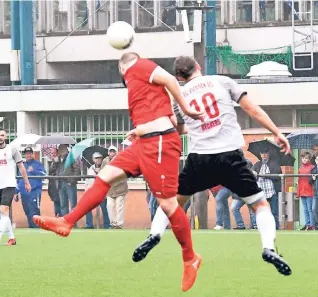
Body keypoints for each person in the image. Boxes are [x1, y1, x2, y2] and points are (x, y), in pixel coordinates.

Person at [33, 52, 203, 292]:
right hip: (145, 143)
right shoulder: (140, 87)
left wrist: (185, 107)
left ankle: (190, 258)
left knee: (168, 205)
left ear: (122, 68)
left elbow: (170, 80)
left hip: (161, 144)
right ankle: (67, 221)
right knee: (104, 177)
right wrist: (141, 130)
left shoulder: (138, 66)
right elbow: (171, 120)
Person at [134, 56, 292, 277]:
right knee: (260, 205)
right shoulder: (222, 81)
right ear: (198, 66)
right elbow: (253, 110)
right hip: (231, 156)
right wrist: (277, 133)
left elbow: (176, 130)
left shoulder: (179, 98)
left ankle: (154, 235)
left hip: (200, 158)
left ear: (179, 77)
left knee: (172, 203)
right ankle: (268, 247)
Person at [0, 127, 31, 246]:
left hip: (9, 184)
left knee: (4, 210)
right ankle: (11, 238)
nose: (0, 137)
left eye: (2, 135)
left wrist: (26, 182)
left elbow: (21, 167)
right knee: (3, 213)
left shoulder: (12, 150)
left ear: (6, 137)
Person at [14, 147, 46, 228]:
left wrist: (34, 171)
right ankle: (31, 228)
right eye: (26, 153)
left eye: (29, 153)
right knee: (27, 211)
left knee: (34, 211)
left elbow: (44, 175)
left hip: (34, 192)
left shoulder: (38, 163)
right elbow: (19, 179)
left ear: (32, 154)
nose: (28, 155)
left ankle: (37, 228)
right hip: (24, 193)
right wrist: (16, 192)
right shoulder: (22, 165)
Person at [252, 148, 282, 230]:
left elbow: (277, 176)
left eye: (265, 153)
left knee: (274, 212)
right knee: (260, 211)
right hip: (261, 191)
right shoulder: (257, 164)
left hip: (272, 191)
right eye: (262, 153)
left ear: (268, 154)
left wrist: (265, 175)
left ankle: (276, 228)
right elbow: (252, 175)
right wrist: (254, 173)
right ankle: (262, 228)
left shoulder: (274, 164)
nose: (264, 155)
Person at [103, 146, 129, 229]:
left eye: (113, 152)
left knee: (119, 206)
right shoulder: (105, 161)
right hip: (110, 188)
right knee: (110, 206)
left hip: (120, 187)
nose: (112, 153)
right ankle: (113, 223)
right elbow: (102, 172)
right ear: (108, 153)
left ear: (116, 153)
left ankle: (119, 224)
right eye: (110, 152)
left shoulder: (122, 160)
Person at [84, 151, 110, 229]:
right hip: (92, 192)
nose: (98, 160)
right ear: (93, 159)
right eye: (96, 158)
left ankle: (107, 225)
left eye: (99, 158)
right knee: (87, 208)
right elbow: (89, 182)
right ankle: (89, 225)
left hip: (102, 192)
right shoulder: (90, 169)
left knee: (105, 209)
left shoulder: (105, 167)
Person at [296, 151, 315, 231]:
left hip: (309, 190)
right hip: (302, 190)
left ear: (309, 159)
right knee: (305, 209)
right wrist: (298, 192)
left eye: (306, 158)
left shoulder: (312, 167)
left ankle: (312, 225)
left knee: (310, 209)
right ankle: (307, 224)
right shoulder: (300, 168)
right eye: (303, 158)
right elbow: (299, 181)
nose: (304, 159)